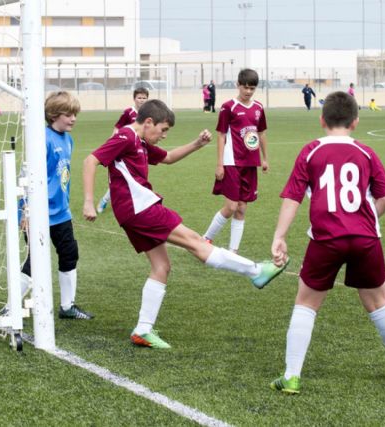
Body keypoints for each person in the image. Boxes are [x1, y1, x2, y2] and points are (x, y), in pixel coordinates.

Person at [82, 99, 289, 349]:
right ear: (148, 122)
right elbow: (91, 160)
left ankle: (143, 330)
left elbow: (168, 158)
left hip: (133, 211)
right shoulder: (126, 136)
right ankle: (256, 271)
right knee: (196, 242)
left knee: (161, 266)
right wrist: (89, 202)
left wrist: (197, 144)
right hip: (141, 208)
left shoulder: (141, 142)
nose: (164, 135)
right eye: (163, 129)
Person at [268, 91, 385, 395]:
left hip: (326, 239)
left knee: (307, 303)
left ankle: (292, 376)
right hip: (365, 238)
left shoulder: (311, 151)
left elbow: (293, 197)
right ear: (356, 122)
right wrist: (366, 218)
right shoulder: (366, 153)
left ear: (322, 119)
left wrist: (279, 236)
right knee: (378, 300)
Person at [19, 91, 93, 320]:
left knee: (70, 254)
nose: (73, 119)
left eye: (75, 114)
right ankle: (13, 306)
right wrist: (25, 211)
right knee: (35, 261)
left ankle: (67, 306)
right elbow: (26, 175)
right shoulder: (41, 139)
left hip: (61, 213)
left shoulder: (67, 139)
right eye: (68, 114)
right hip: (38, 213)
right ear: (53, 115)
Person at [202, 68, 269, 254]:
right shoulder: (228, 107)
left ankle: (233, 251)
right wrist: (219, 163)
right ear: (238, 85)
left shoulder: (258, 108)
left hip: (250, 163)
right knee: (231, 206)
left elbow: (261, 133)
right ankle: (206, 238)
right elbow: (221, 135)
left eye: (252, 88)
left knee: (241, 208)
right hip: (231, 162)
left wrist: (264, 158)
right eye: (245, 87)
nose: (248, 91)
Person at [97, 87, 150, 214]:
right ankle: (104, 200)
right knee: (123, 178)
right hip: (125, 150)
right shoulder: (128, 112)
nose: (142, 100)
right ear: (134, 99)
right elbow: (117, 127)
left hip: (140, 150)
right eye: (139, 98)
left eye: (144, 98)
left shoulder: (149, 114)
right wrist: (112, 141)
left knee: (138, 178)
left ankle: (138, 202)